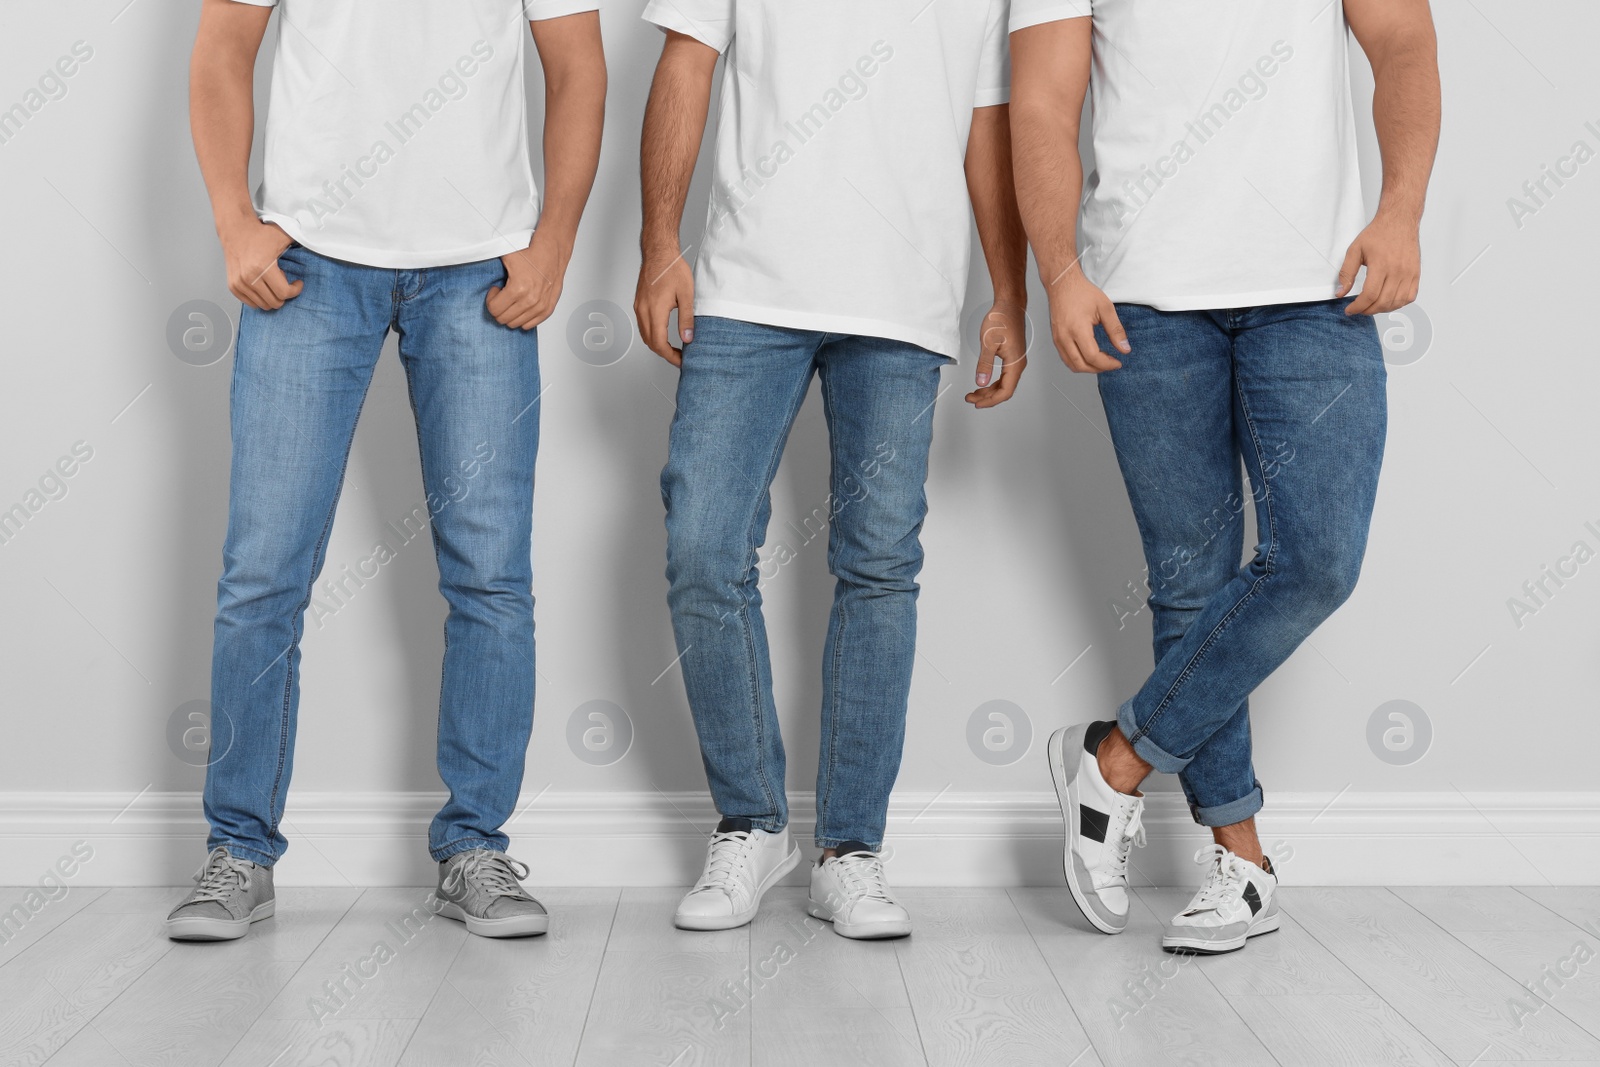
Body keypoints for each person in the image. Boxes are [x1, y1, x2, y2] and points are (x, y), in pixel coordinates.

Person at [166, 0, 605, 941]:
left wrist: (555, 240)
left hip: (479, 273)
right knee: (263, 574)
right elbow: (221, 49)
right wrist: (234, 221)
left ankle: (475, 845)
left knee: (491, 577)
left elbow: (577, 66)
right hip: (310, 263)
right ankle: (237, 850)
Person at [1009, 0, 1439, 952]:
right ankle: (1241, 862)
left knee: (1317, 559)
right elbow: (1040, 99)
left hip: (1316, 293)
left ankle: (1113, 759)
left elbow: (1403, 41)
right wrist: (1059, 269)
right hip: (1144, 304)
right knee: (1190, 582)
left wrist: (1400, 210)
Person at [634, 0, 1028, 939]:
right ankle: (752, 822)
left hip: (903, 298)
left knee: (879, 564)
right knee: (702, 543)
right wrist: (659, 246)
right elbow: (686, 64)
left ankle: (850, 851)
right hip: (744, 286)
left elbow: (986, 128)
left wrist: (1010, 291)